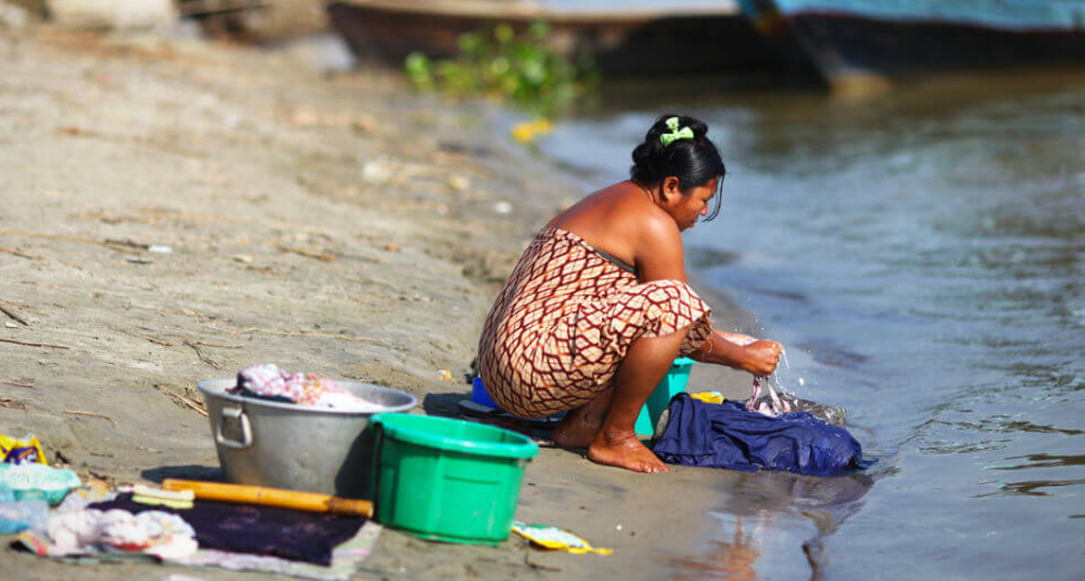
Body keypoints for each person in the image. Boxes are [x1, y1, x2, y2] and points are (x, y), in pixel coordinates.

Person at [477, 114, 783, 473]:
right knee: (673, 301)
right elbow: (679, 320)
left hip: (502, 366)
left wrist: (731, 342)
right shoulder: (654, 225)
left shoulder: (613, 199)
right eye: (703, 200)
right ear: (671, 187)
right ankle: (616, 437)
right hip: (528, 374)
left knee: (652, 298)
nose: (702, 212)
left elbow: (656, 323)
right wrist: (744, 358)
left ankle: (584, 424)